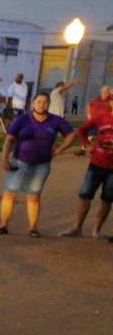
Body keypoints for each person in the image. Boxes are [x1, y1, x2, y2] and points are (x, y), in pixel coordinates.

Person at [0, 93, 74, 238]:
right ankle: (3, 225)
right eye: (39, 101)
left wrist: (59, 150)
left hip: (41, 165)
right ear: (33, 103)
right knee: (10, 193)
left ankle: (33, 228)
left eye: (45, 102)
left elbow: (71, 135)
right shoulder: (22, 119)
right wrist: (4, 159)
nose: (41, 105)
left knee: (34, 196)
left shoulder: (55, 120)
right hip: (19, 161)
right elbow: (9, 139)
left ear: (49, 104)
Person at [54, 94, 113, 238]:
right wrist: (87, 144)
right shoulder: (101, 118)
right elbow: (81, 130)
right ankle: (77, 227)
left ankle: (96, 230)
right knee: (85, 195)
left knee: (107, 199)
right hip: (97, 163)